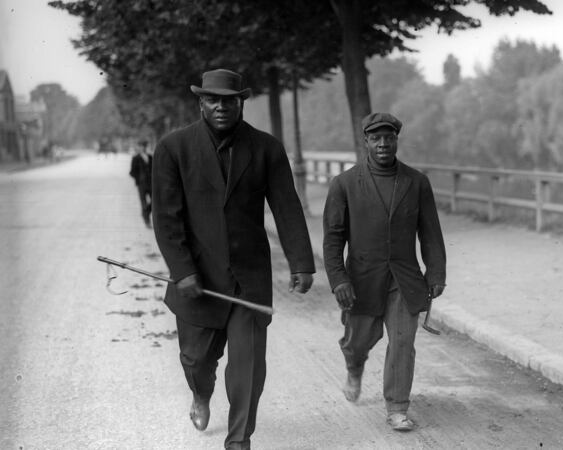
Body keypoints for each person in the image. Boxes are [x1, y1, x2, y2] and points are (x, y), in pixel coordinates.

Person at [151, 68, 315, 450]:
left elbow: (287, 207)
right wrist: (183, 270)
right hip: (198, 280)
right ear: (201, 102)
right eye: (214, 99)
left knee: (249, 364)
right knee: (196, 360)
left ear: (241, 101)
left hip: (249, 278)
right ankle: (201, 394)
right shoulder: (173, 149)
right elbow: (166, 219)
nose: (222, 107)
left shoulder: (267, 148)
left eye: (230, 100)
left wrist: (301, 262)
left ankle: (239, 440)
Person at [322, 112, 447, 432]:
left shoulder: (416, 182)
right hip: (360, 281)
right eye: (375, 138)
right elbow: (333, 239)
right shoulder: (344, 184)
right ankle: (354, 367)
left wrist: (435, 273)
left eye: (388, 138)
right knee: (358, 342)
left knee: (403, 341)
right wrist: (338, 279)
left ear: (396, 141)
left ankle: (397, 406)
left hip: (404, 278)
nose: (382, 144)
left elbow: (430, 232)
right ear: (365, 141)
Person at [129, 139, 152, 227]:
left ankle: (145, 213)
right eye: (141, 146)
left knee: (154, 202)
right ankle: (147, 221)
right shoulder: (135, 158)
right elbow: (131, 172)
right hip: (141, 184)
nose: (142, 148)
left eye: (144, 146)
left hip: (151, 184)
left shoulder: (150, 157)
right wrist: (138, 179)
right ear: (139, 147)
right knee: (144, 202)